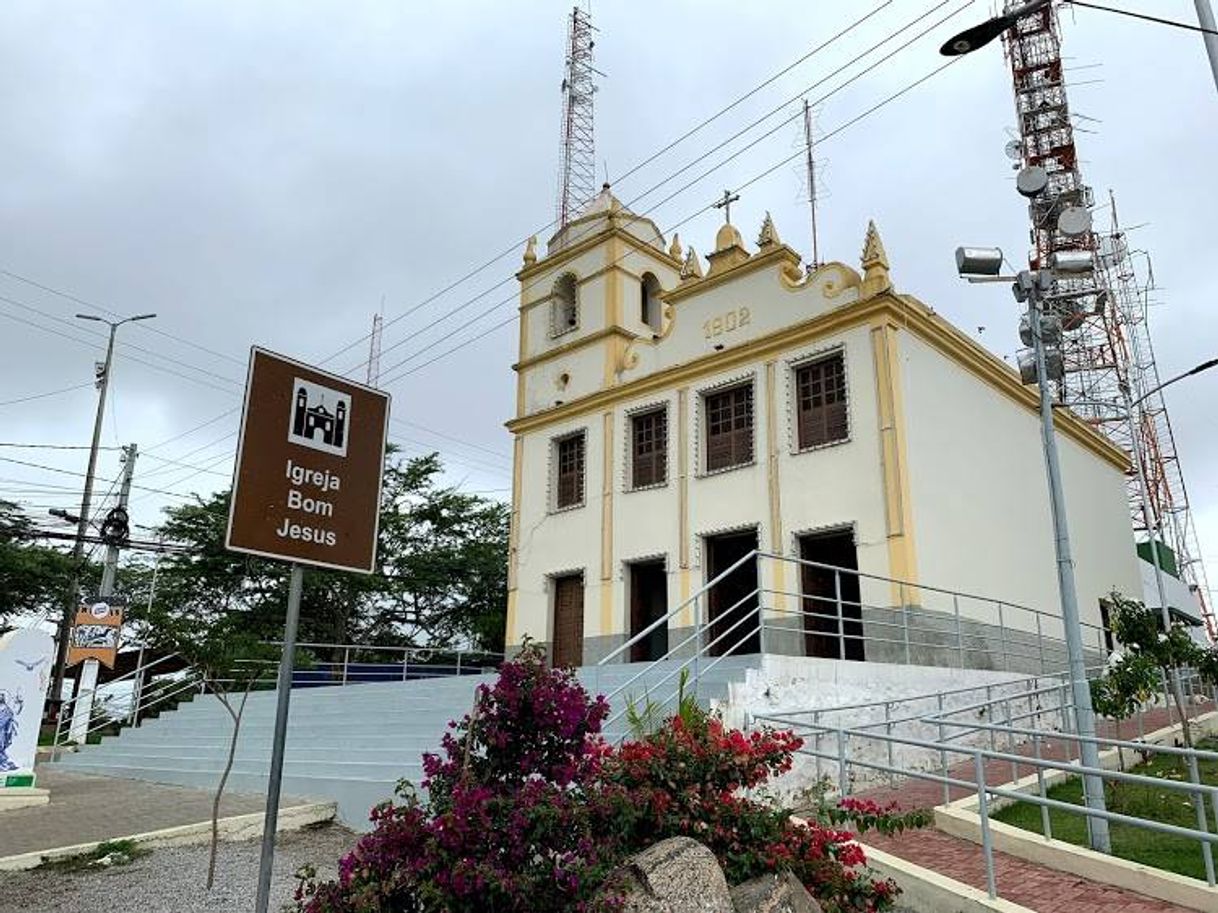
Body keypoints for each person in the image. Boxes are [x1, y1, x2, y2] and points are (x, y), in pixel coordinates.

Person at [0, 690, 24, 771]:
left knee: (1, 745)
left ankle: (3, 762)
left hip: (3, 732)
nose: (1, 697)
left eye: (2, 696)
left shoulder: (7, 710)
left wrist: (20, 703)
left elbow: (13, 713)